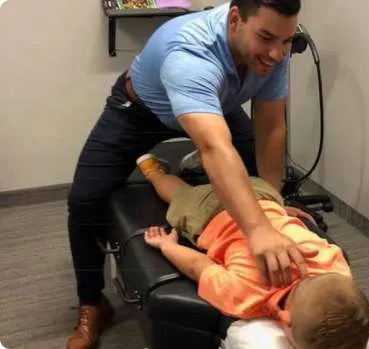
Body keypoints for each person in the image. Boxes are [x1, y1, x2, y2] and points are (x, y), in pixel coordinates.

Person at [65, 1, 315, 348]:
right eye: (267, 38)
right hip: (140, 113)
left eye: (286, 41)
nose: (276, 54)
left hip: (216, 106)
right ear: (234, 19)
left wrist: (272, 204)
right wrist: (257, 230)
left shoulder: (275, 48)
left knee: (256, 180)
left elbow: (271, 126)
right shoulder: (189, 52)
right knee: (83, 202)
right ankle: (93, 302)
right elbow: (215, 148)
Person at [138, 154, 369, 349]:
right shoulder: (246, 294)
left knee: (229, 174)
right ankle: (153, 172)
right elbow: (198, 266)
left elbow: (304, 231)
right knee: (179, 195)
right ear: (286, 323)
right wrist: (168, 246)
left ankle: (211, 160)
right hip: (211, 213)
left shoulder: (337, 264)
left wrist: (282, 212)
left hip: (266, 195)